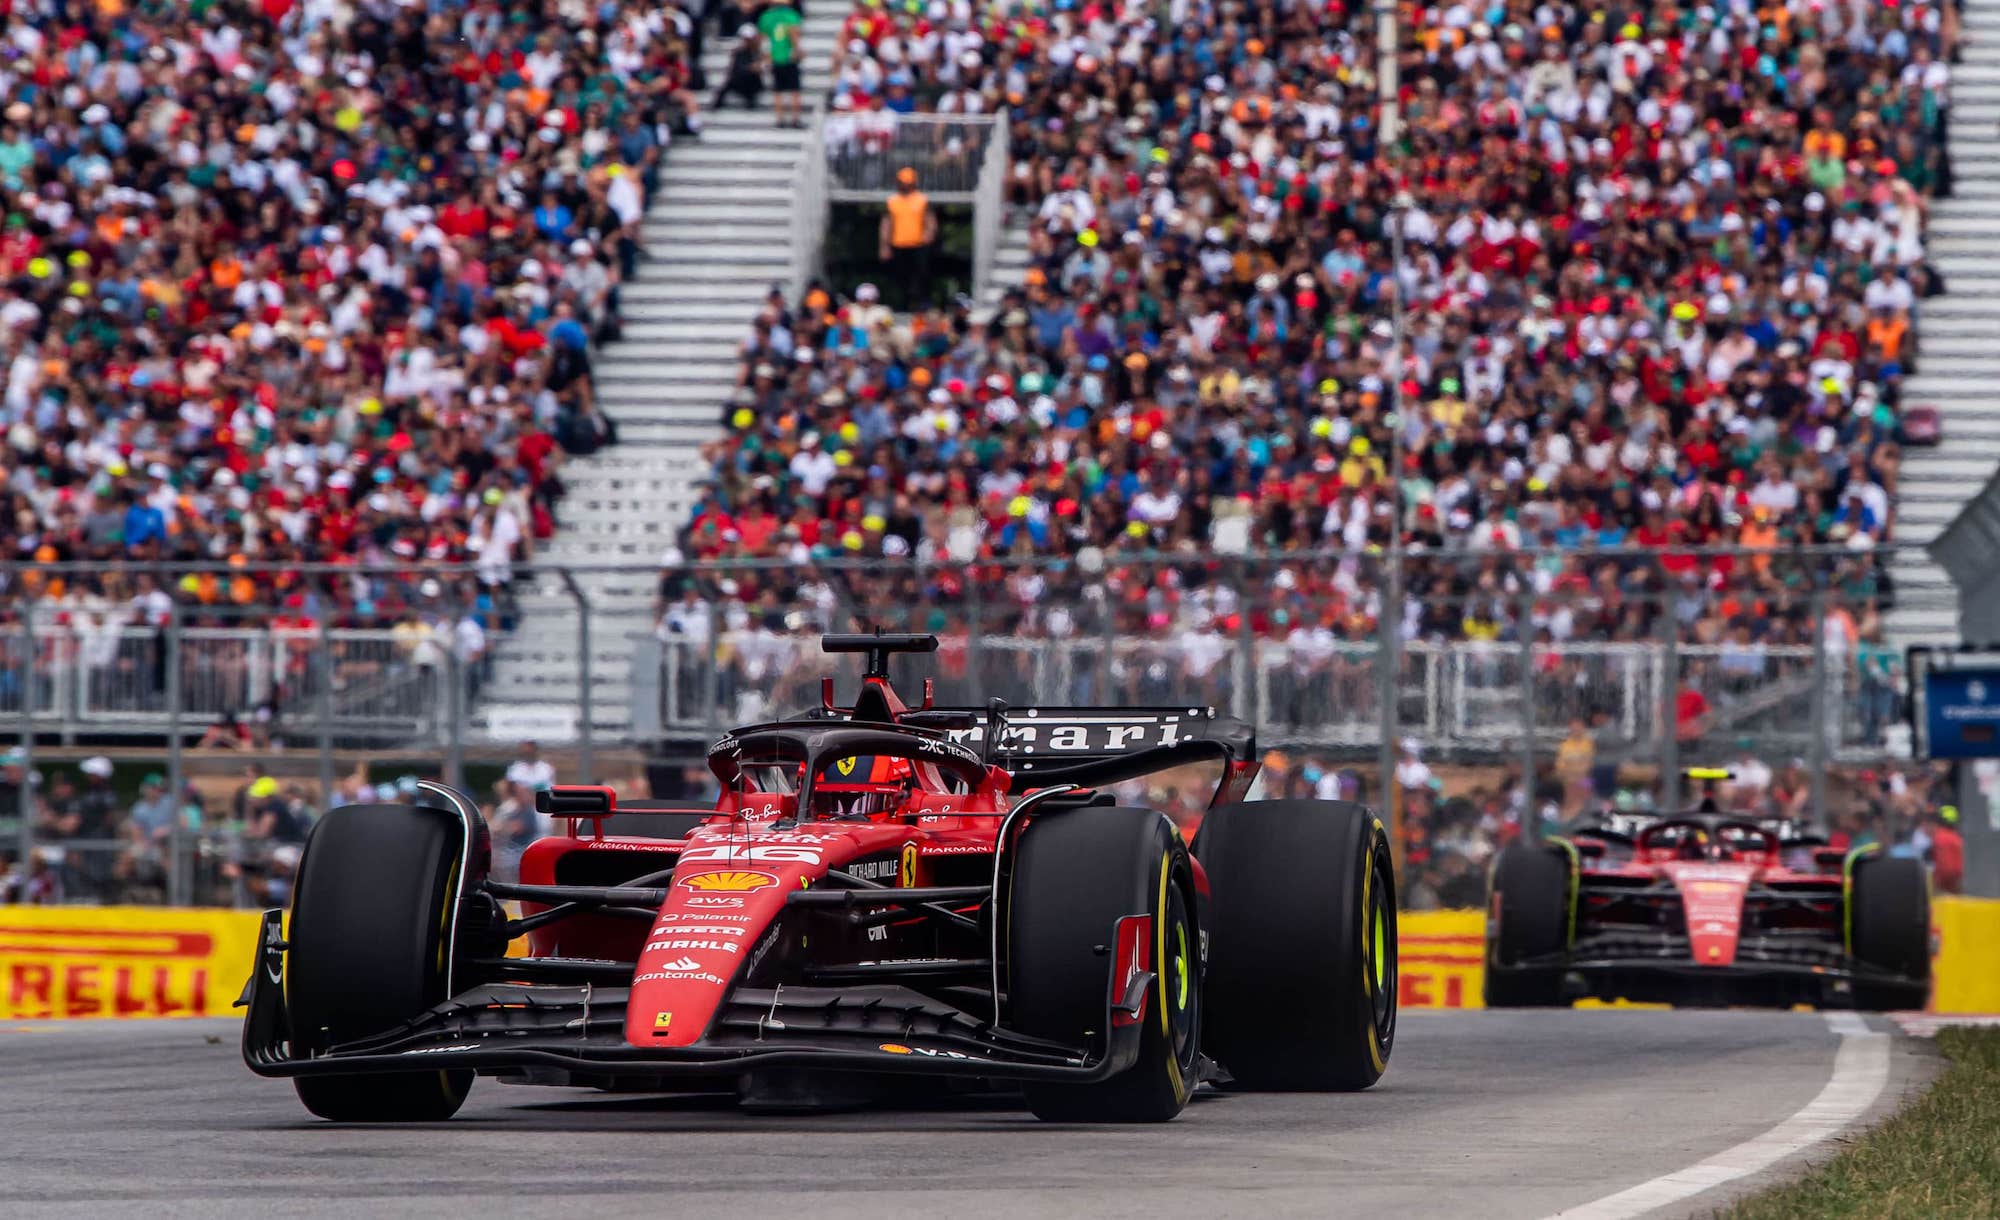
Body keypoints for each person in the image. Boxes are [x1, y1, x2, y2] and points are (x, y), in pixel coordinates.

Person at [879, 167, 937, 309]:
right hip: (898, 244)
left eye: (909, 182)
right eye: (903, 182)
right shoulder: (892, 201)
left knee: (921, 275)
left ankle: (923, 303)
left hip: (918, 244)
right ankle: (901, 304)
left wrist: (929, 233)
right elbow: (886, 224)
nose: (906, 185)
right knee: (899, 277)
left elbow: (930, 219)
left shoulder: (921, 199)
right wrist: (884, 246)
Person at [758, 0, 805, 128]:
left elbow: (763, 39)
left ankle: (780, 119)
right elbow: (794, 34)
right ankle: (795, 119)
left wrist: (766, 57)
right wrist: (798, 50)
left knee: (777, 90)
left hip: (774, 57)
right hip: (789, 56)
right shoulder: (791, 15)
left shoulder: (765, 17)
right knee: (795, 89)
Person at [712, 25, 764, 112]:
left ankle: (751, 104)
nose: (747, 41)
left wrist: (755, 68)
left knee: (752, 83)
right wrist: (750, 68)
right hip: (739, 79)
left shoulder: (757, 52)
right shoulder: (738, 52)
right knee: (726, 86)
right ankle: (716, 106)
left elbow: (761, 68)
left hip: (752, 82)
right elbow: (736, 69)